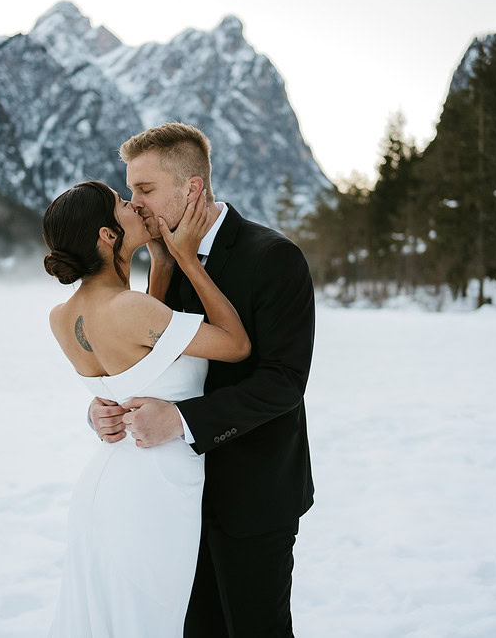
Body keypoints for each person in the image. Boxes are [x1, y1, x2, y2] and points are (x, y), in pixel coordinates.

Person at [89, 123, 316, 636]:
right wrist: (105, 408)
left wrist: (181, 421)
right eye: (130, 191)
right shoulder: (162, 265)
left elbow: (284, 381)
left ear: (192, 188)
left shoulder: (274, 258)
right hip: (174, 499)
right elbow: (153, 365)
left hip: (254, 495)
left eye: (145, 190)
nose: (135, 204)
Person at [44, 179, 251, 637]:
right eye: (121, 203)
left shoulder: (63, 317)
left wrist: (158, 264)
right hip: (150, 493)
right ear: (106, 235)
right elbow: (236, 345)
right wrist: (185, 260)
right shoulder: (130, 309)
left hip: (108, 484)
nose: (133, 204)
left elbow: (145, 363)